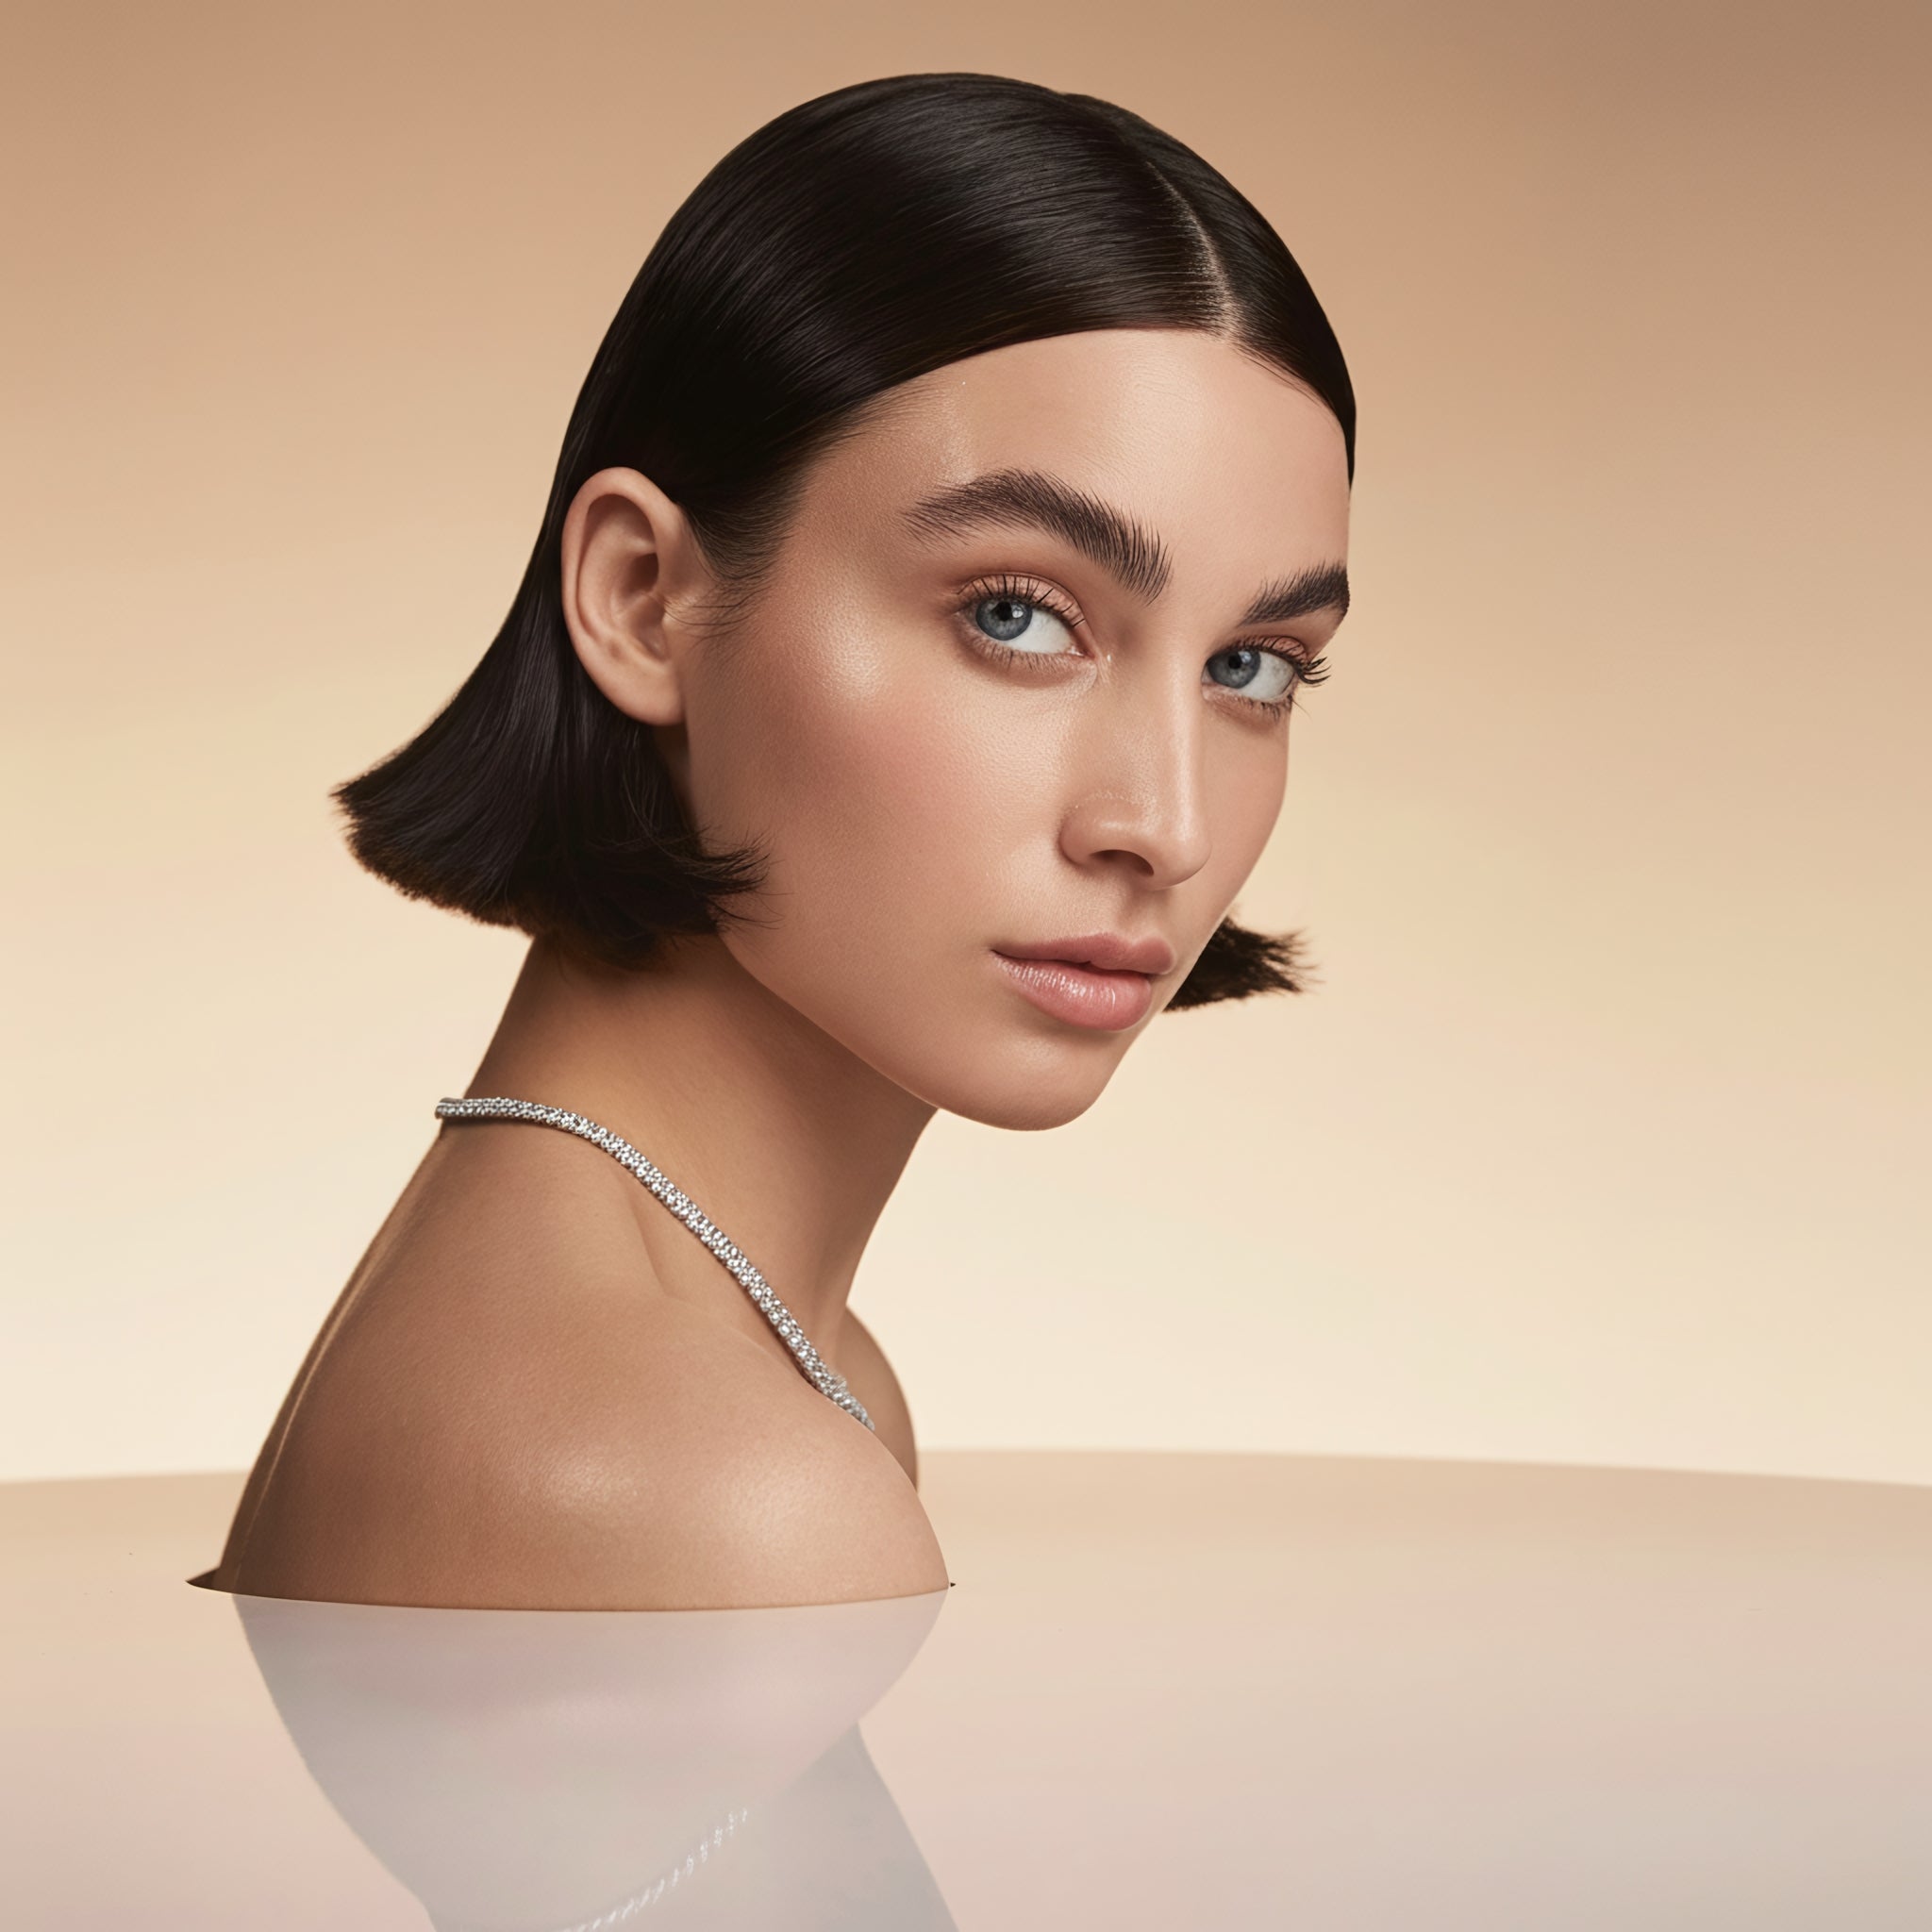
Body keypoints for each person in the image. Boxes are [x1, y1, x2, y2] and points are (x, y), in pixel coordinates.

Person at [208, 70, 1356, 1611]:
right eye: (1018, 616)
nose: (1163, 822)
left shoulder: (751, 1366)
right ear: (640, 599)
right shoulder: (708, 1485)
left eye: (1251, 668)